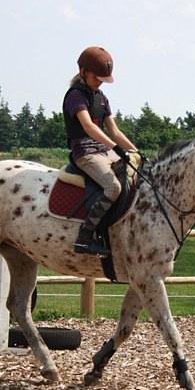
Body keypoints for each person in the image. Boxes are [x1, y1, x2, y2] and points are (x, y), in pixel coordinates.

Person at [62, 46, 138, 257]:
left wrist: (134, 151)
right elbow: (89, 127)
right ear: (84, 72)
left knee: (134, 173)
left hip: (102, 150)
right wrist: (116, 148)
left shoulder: (102, 98)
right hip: (84, 153)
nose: (101, 82)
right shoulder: (75, 96)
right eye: (97, 77)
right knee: (113, 187)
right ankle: (85, 238)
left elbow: (114, 130)